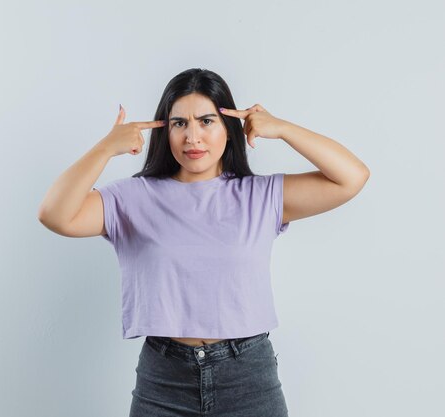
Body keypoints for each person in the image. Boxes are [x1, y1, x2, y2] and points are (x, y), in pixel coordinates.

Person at [37, 68, 370, 416]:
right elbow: (54, 214)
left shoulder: (261, 195)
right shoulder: (132, 197)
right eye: (179, 123)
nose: (192, 137)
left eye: (206, 121)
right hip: (164, 379)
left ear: (229, 128)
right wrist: (105, 148)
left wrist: (283, 129)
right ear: (164, 131)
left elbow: (351, 177)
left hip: (248, 378)